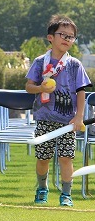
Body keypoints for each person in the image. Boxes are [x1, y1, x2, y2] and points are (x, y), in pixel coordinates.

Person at [25, 15, 91, 207]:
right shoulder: (39, 62)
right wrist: (41, 89)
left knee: (66, 157)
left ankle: (66, 194)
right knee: (43, 158)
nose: (67, 39)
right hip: (44, 117)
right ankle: (42, 188)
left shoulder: (75, 64)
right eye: (62, 34)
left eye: (71, 37)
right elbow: (29, 86)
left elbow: (81, 92)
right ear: (50, 37)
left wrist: (78, 117)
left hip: (68, 121)